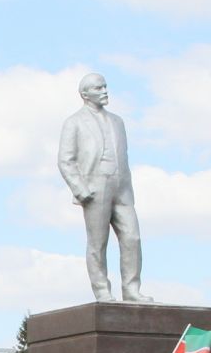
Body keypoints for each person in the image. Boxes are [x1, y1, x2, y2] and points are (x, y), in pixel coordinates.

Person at [56, 72, 148, 302]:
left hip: (122, 187)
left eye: (105, 86)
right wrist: (80, 188)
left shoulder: (118, 121)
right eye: (98, 88)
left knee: (132, 237)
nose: (105, 91)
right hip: (95, 187)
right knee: (98, 242)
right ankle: (102, 290)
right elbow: (65, 160)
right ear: (85, 94)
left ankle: (131, 289)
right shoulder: (74, 122)